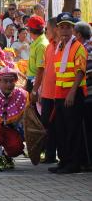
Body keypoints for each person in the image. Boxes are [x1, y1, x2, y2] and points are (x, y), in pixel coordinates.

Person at [49, 13, 87, 174]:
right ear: (57, 29)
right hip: (59, 94)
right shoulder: (60, 47)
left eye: (68, 27)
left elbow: (80, 72)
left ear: (73, 29)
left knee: (73, 130)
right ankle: (64, 161)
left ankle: (73, 163)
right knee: (60, 129)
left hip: (73, 94)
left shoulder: (78, 47)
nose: (65, 30)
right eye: (62, 27)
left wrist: (72, 93)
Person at [39, 17, 58, 164]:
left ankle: (59, 156)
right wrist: (40, 91)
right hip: (46, 93)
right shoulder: (49, 47)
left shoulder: (63, 47)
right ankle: (50, 154)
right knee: (46, 125)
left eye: (48, 29)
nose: (46, 32)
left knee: (57, 126)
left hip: (58, 94)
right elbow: (45, 70)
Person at [74, 21, 92, 168]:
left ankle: (87, 161)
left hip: (87, 96)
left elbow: (83, 73)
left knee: (87, 130)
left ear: (78, 35)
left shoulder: (84, 49)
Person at [26, 15, 48, 94]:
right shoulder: (37, 42)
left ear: (30, 30)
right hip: (32, 80)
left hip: (35, 82)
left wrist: (34, 91)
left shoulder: (41, 45)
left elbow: (41, 70)